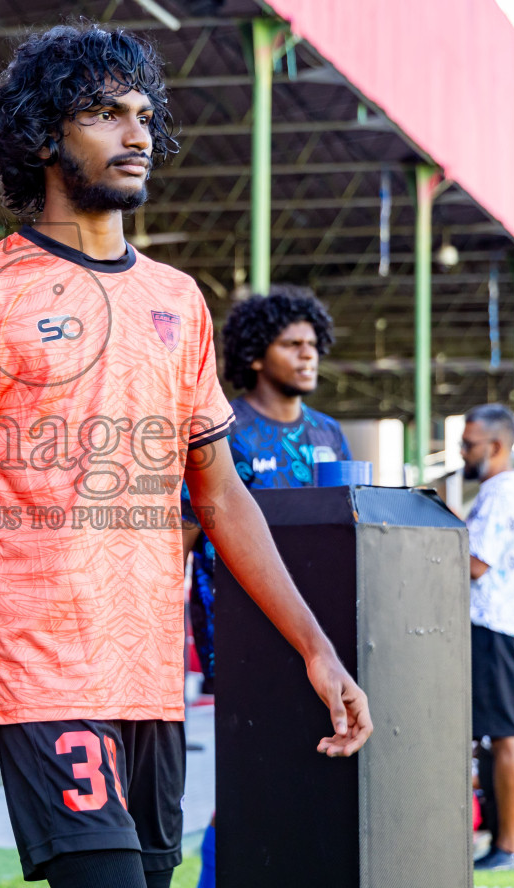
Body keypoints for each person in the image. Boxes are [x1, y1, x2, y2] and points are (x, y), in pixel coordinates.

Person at [0, 23, 372, 888]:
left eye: (144, 115)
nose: (138, 133)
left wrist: (316, 648)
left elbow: (222, 498)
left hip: (152, 679)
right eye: (106, 114)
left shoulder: (179, 300)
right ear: (44, 136)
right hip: (42, 669)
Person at [178, 285, 350, 887]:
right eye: (292, 344)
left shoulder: (330, 434)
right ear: (255, 354)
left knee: (300, 770)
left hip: (315, 627)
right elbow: (187, 531)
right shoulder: (226, 429)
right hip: (238, 632)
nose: (308, 356)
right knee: (250, 772)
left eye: (313, 345)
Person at [462, 403, 514, 871]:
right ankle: (503, 844)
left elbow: (475, 562)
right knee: (491, 736)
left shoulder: (501, 490)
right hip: (503, 627)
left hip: (493, 627)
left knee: (504, 735)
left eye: (469, 444)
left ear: (495, 446)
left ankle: (508, 847)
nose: (461, 452)